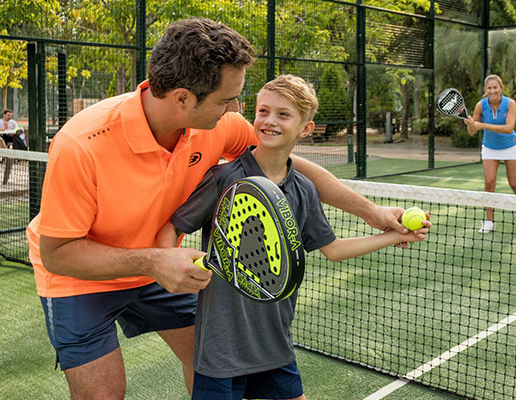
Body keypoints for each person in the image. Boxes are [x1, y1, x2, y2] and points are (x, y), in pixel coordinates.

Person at [25, 18, 407, 399]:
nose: (238, 109)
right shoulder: (80, 145)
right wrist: (154, 261)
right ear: (182, 99)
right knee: (102, 395)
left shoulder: (217, 123)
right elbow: (59, 254)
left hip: (163, 262)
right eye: (227, 100)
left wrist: (372, 213)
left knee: (213, 363)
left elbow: (287, 164)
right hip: (80, 278)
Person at [156, 74, 430, 400]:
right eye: (263, 111)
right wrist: (170, 261)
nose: (269, 121)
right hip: (221, 348)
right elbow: (172, 228)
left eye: (283, 114)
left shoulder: (304, 190)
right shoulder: (223, 178)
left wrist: (393, 235)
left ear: (305, 128)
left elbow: (333, 250)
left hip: (274, 343)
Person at [462, 74, 516, 233]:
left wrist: (482, 125)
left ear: (501, 88)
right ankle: (489, 221)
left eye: (495, 87)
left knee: (514, 184)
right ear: (485, 90)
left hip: (510, 147)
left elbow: (508, 128)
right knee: (489, 183)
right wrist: (471, 125)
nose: (492, 91)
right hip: (490, 148)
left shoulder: (510, 104)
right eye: (489, 88)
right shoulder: (480, 105)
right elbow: (472, 132)